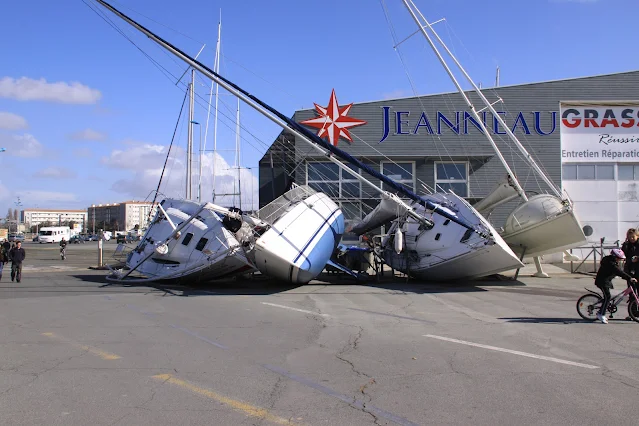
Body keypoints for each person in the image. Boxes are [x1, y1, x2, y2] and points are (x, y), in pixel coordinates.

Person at [595, 248, 637, 323]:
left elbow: (620, 272)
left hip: (606, 281)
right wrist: (629, 278)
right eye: (619, 259)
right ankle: (601, 314)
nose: (620, 260)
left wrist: (629, 277)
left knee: (607, 298)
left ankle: (604, 306)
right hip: (602, 282)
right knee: (607, 297)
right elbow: (619, 272)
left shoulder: (612, 262)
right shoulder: (610, 263)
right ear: (615, 257)